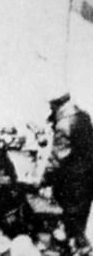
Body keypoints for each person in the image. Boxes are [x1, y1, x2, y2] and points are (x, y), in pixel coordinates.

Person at [41, 89, 93, 252]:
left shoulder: (64, 124)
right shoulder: (83, 117)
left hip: (70, 185)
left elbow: (58, 158)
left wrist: (42, 181)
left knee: (68, 230)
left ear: (54, 104)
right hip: (86, 180)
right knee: (78, 227)